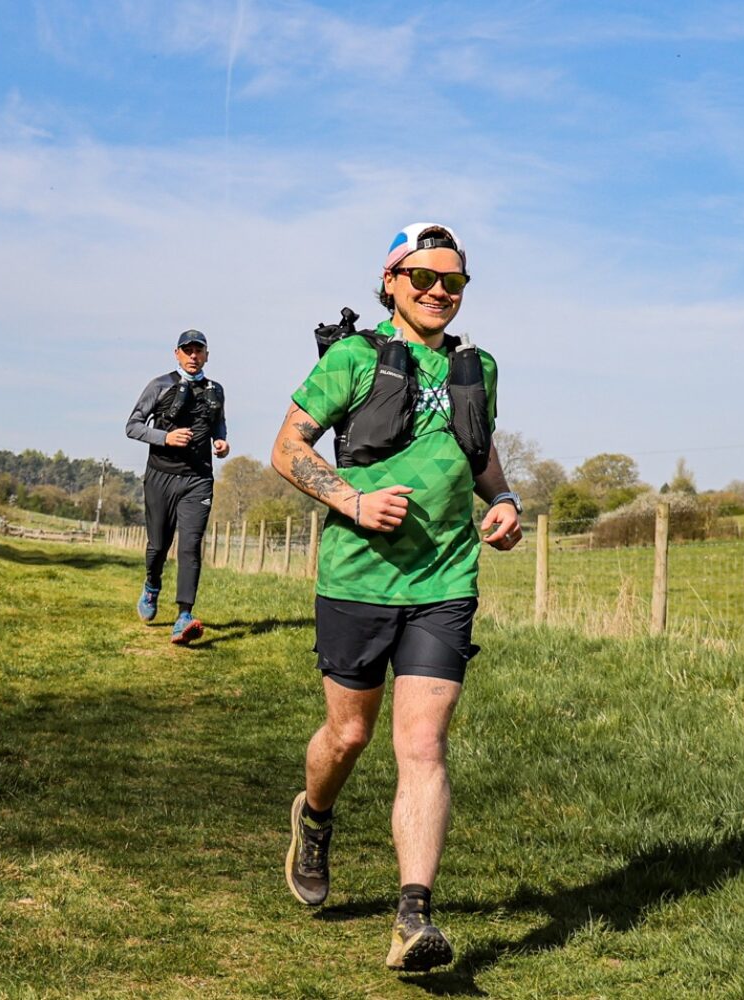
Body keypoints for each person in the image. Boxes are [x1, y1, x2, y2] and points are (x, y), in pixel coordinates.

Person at [271, 223, 522, 972]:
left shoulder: (480, 368)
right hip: (357, 580)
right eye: (424, 279)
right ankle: (314, 818)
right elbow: (287, 448)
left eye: (454, 282)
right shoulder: (353, 359)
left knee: (422, 743)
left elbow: (478, 453)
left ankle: (414, 918)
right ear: (391, 282)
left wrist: (503, 498)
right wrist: (350, 500)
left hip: (445, 581)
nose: (439, 291)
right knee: (348, 737)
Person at [125, 329, 229, 644]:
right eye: (188, 350)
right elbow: (132, 426)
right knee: (158, 545)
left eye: (199, 350)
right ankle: (152, 586)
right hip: (160, 476)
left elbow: (218, 421)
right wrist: (165, 438)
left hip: (198, 479)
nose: (193, 356)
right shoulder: (160, 385)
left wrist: (220, 440)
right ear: (177, 353)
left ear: (207, 355)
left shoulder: (216, 390)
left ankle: (183, 616)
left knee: (189, 546)